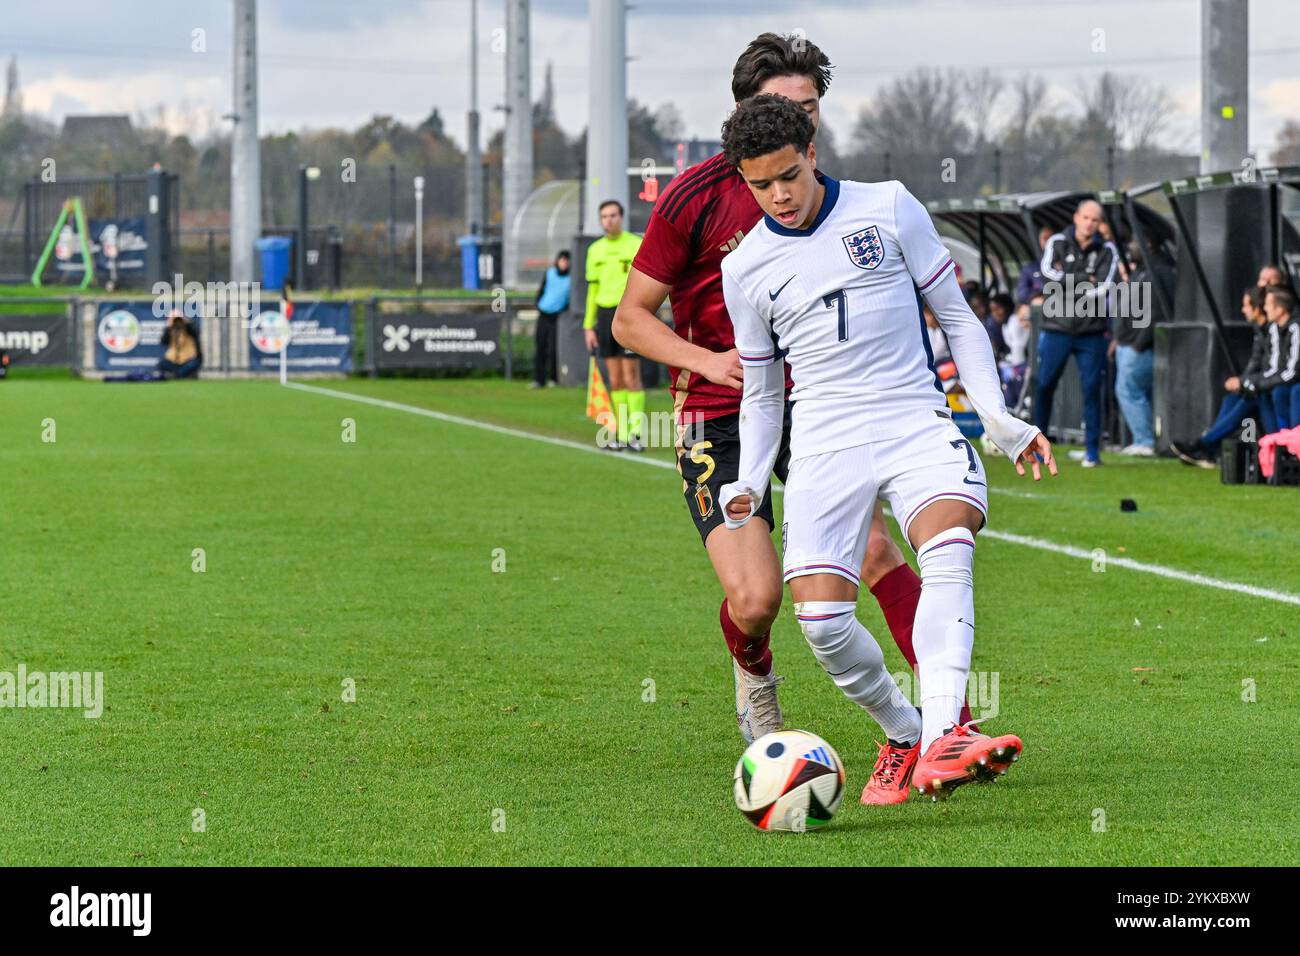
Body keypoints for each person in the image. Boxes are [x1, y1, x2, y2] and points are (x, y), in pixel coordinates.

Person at [614, 34, 982, 789]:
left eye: (809, 111)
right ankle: (754, 674)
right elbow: (629, 320)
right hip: (723, 411)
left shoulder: (830, 193)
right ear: (745, 112)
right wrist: (709, 362)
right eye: (784, 109)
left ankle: (947, 727)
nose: (800, 128)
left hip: (820, 409)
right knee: (755, 600)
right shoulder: (694, 198)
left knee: (878, 554)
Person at [717, 94, 1053, 802]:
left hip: (913, 416)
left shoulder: (891, 205)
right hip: (823, 438)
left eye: (788, 175)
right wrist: (749, 477)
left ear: (813, 154)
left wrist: (997, 415)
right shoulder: (744, 267)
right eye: (760, 184)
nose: (778, 195)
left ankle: (943, 739)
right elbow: (763, 389)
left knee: (949, 541)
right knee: (822, 622)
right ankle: (904, 732)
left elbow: (957, 318)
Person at [1036, 199, 1119, 467]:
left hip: (1091, 332)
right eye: (1086, 217)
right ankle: (1037, 445)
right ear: (1076, 217)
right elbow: (1048, 274)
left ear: (1099, 223)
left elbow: (1104, 287)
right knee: (1045, 385)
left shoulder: (1107, 249)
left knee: (1092, 389)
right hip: (1057, 327)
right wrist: (1085, 278)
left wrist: (1069, 279)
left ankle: (1092, 452)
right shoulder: (1057, 241)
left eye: (1095, 220)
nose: (1089, 223)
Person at [1171, 287, 1275, 467]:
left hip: (1271, 387)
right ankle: (1208, 448)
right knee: (1233, 398)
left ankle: (1204, 444)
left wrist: (1245, 382)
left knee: (1248, 399)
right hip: (1263, 384)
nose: (1243, 310)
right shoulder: (1261, 332)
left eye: (1246, 306)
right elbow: (1256, 363)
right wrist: (1243, 382)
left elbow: (1278, 369)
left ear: (1258, 309)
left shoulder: (1275, 332)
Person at [584, 201, 644, 450]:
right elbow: (592, 289)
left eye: (613, 215)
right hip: (605, 316)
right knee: (615, 378)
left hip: (629, 314)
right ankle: (621, 433)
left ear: (621, 217)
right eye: (604, 216)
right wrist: (589, 326)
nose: (609, 220)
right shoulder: (595, 250)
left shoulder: (635, 244)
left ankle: (637, 435)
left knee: (632, 376)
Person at [1110, 241, 1172, 456]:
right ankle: (1144, 438)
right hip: (1127, 344)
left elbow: (1155, 313)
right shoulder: (1141, 272)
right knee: (1131, 391)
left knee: (1129, 389)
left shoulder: (1155, 273)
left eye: (1136, 242)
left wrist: (1138, 345)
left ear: (1149, 245)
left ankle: (1145, 440)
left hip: (1138, 347)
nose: (1130, 246)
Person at [1259, 285, 1299, 430]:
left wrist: (1260, 383)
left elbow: (1294, 371)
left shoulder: (1296, 327)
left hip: (1295, 382)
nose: (1265, 308)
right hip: (1286, 380)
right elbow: (1276, 366)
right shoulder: (1276, 328)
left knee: (1293, 391)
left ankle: (1293, 443)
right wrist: (1253, 382)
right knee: (1269, 393)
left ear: (1280, 309)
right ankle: (1278, 442)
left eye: (1268, 305)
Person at [532, 250, 570, 389]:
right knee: (540, 347)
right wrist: (538, 303)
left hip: (557, 317)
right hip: (544, 314)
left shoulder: (570, 279)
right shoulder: (550, 274)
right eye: (562, 260)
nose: (564, 263)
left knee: (553, 349)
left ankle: (554, 378)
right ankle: (538, 379)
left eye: (566, 260)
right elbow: (542, 290)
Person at [158, 309, 202, 379]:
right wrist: (168, 326)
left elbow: (196, 332)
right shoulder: (170, 330)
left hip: (188, 359)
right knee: (162, 364)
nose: (177, 322)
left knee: (192, 364)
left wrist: (186, 321)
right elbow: (163, 341)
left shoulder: (189, 328)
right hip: (173, 360)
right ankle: (180, 375)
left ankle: (177, 375)